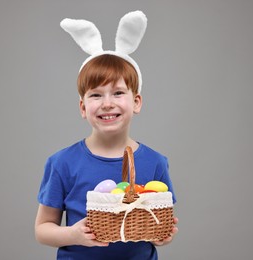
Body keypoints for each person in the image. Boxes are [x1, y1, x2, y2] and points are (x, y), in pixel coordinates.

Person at [35, 11, 178, 260]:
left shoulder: (156, 162)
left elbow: (159, 226)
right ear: (83, 107)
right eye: (96, 95)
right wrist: (74, 235)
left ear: (136, 102)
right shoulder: (62, 163)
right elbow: (42, 229)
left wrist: (161, 236)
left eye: (118, 93)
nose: (107, 103)